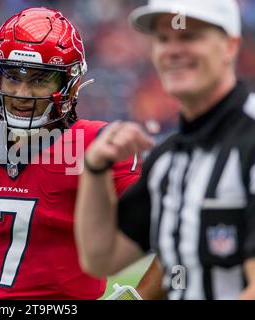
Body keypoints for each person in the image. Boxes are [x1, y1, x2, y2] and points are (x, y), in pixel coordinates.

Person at [0, 7, 141, 300]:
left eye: (39, 80)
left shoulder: (96, 145)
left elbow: (176, 235)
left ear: (70, 84)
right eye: (12, 77)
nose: (22, 93)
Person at [75, 0, 255, 300]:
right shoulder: (169, 159)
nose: (172, 50)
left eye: (189, 37)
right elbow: (100, 257)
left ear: (230, 46)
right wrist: (95, 169)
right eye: (163, 39)